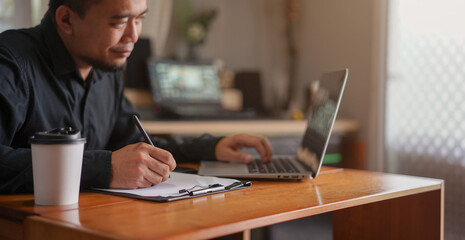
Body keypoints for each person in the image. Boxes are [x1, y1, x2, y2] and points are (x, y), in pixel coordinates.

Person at [0, 0, 272, 193]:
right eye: (119, 22)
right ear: (66, 20)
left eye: (140, 19)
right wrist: (105, 168)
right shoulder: (10, 63)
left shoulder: (107, 67)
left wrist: (210, 149)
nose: (133, 36)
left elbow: (137, 149)